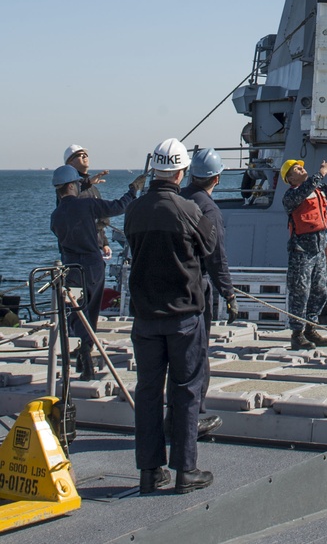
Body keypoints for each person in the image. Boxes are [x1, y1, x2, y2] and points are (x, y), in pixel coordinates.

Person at [124, 137, 217, 497]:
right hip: (183, 317)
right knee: (186, 391)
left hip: (145, 317)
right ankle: (185, 471)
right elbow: (208, 248)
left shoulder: (133, 210)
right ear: (180, 172)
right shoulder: (188, 210)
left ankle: (149, 472)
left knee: (147, 392)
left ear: (155, 170)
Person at [50, 163, 143, 380]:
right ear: (73, 185)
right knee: (91, 310)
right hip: (92, 265)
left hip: (69, 266)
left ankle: (81, 347)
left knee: (76, 310)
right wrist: (133, 189)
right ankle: (87, 349)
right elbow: (119, 207)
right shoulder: (87, 205)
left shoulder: (55, 216)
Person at [179, 148, 240, 438]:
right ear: (216, 178)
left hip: (167, 288)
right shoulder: (208, 210)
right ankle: (193, 418)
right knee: (197, 354)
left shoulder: (175, 199)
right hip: (196, 287)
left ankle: (172, 414)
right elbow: (216, 257)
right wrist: (228, 294)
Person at [280, 148, 327, 350]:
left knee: (319, 290)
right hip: (301, 249)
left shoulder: (317, 190)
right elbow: (303, 193)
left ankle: (311, 328)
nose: (301, 169)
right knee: (300, 291)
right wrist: (320, 173)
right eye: (296, 168)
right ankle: (297, 333)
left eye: (301, 167)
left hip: (318, 247)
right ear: (290, 177)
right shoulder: (291, 196)